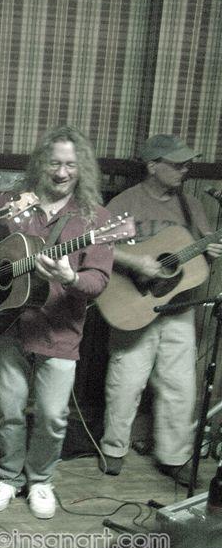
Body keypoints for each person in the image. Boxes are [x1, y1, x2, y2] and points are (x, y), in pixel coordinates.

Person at [0, 125, 114, 520]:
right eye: (54, 163)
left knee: (53, 416)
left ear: (82, 168)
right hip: (8, 324)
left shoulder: (97, 219)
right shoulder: (12, 203)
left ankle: (40, 480)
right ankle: (8, 476)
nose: (61, 172)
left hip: (60, 331)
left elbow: (98, 281)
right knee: (8, 410)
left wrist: (69, 277)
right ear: (41, 163)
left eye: (70, 165)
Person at [98, 134, 221, 486]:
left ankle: (175, 457)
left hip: (179, 307)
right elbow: (99, 249)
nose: (185, 170)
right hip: (131, 303)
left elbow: (198, 252)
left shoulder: (190, 205)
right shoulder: (125, 202)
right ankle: (113, 449)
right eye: (177, 164)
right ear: (153, 166)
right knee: (126, 381)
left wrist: (211, 251)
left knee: (180, 385)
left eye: (187, 164)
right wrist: (137, 263)